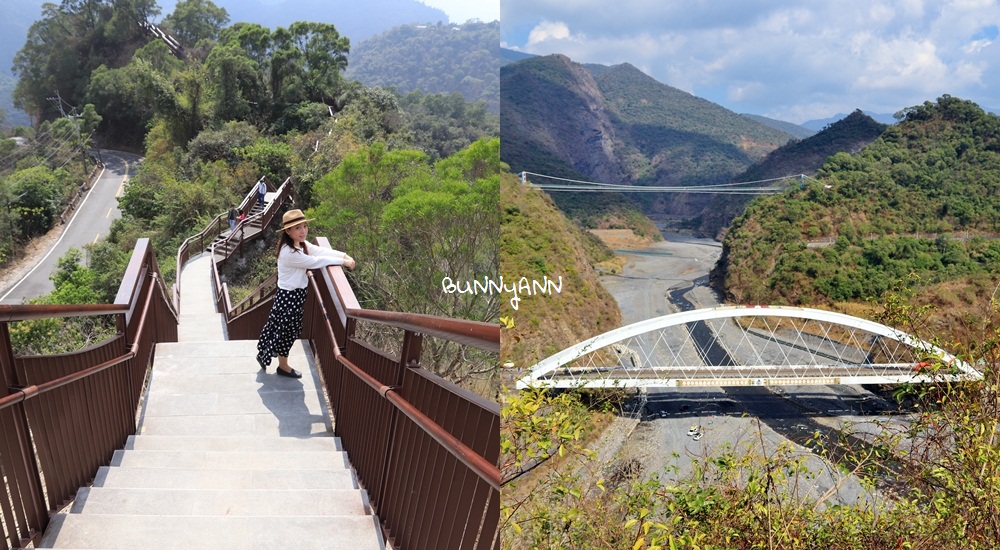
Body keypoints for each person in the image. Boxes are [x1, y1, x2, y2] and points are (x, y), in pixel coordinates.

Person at [256, 209, 356, 378]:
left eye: (304, 226)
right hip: (289, 298)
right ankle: (283, 366)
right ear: (288, 231)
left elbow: (319, 251)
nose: (303, 231)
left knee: (280, 329)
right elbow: (316, 261)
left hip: (293, 296)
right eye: (297, 228)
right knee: (285, 331)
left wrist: (344, 255)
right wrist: (343, 261)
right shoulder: (289, 253)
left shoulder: (300, 245)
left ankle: (265, 356)